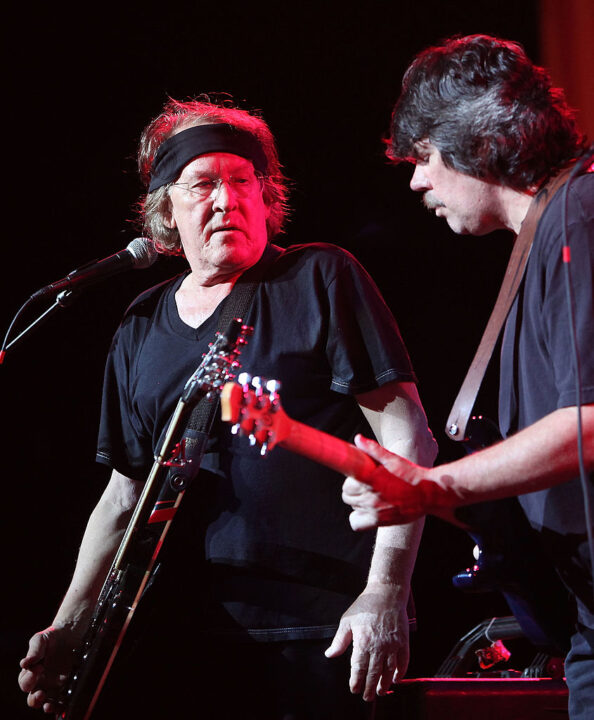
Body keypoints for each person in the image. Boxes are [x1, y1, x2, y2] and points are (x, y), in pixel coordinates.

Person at [18, 97, 437, 719]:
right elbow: (123, 496)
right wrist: (71, 623)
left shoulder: (320, 277)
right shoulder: (140, 323)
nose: (226, 199)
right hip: (179, 641)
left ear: (267, 198)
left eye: (243, 181)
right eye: (204, 183)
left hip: (320, 632)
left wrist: (385, 592)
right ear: (165, 210)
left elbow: (409, 440)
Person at [340, 35, 594, 719]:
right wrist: (427, 497)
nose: (416, 180)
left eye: (423, 155)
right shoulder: (544, 237)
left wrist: (432, 484)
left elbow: (591, 425)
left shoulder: (581, 214)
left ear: (477, 140)